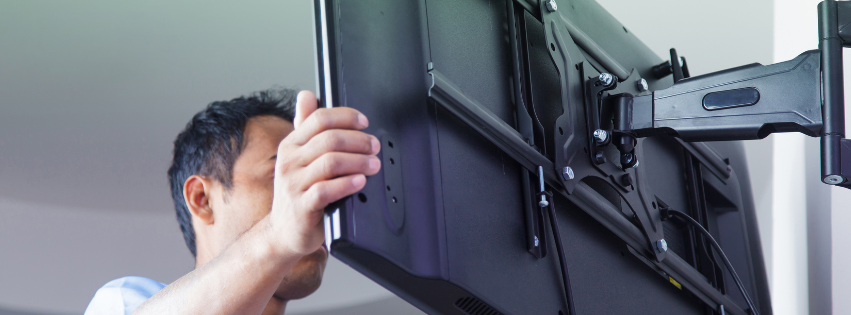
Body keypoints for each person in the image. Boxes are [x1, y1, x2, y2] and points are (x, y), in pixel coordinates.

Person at [84, 88, 381, 315]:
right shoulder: (122, 303)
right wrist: (278, 235)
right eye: (280, 176)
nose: (314, 203)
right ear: (202, 200)